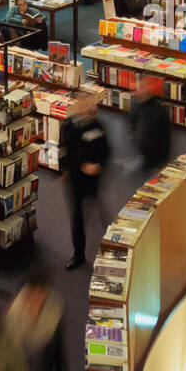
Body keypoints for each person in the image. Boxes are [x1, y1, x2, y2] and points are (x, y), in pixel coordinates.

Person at [5, 264, 71, 371]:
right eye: (31, 296)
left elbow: (60, 360)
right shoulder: (13, 317)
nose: (35, 302)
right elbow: (4, 360)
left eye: (40, 296)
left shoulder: (53, 316)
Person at [61, 94, 109, 271]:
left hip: (93, 181)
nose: (87, 108)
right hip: (76, 181)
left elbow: (106, 151)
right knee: (78, 219)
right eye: (83, 104)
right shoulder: (70, 126)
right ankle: (78, 255)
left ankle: (109, 250)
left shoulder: (98, 126)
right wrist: (71, 169)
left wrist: (99, 165)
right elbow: (68, 152)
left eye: (90, 104)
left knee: (98, 215)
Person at [130, 73, 172, 178]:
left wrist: (162, 163)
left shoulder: (159, 111)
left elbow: (165, 139)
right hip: (141, 154)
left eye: (140, 88)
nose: (135, 92)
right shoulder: (135, 106)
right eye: (135, 89)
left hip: (154, 158)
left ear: (148, 88)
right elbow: (133, 126)